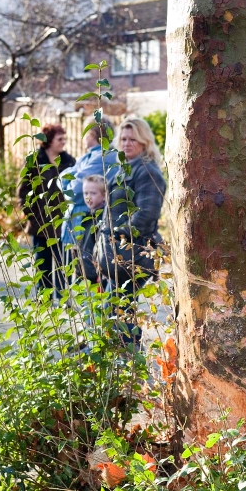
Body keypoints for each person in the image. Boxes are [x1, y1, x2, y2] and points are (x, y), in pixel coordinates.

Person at [97, 116, 166, 345]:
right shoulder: (122, 168)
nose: (127, 143)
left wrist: (116, 235)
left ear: (144, 142)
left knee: (122, 316)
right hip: (118, 255)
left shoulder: (147, 171)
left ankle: (130, 366)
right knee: (113, 313)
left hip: (132, 255)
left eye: (133, 139)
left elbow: (146, 215)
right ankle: (120, 368)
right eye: (123, 139)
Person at [17, 124, 75, 298]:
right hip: (39, 223)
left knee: (64, 263)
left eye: (64, 138)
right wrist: (31, 213)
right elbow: (22, 190)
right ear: (48, 140)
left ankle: (63, 297)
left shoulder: (69, 161)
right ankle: (45, 299)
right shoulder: (34, 160)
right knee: (43, 264)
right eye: (60, 139)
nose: (63, 143)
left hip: (62, 222)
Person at [59, 118, 119, 256]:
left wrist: (71, 175)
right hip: (75, 224)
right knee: (71, 272)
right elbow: (61, 179)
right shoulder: (86, 157)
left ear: (91, 134)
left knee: (84, 270)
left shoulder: (104, 157)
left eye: (85, 133)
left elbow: (74, 191)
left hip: (85, 223)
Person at [75, 174, 105, 284]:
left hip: (95, 276)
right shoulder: (87, 217)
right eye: (85, 193)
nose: (88, 197)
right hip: (84, 273)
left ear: (104, 195)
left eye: (93, 193)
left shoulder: (103, 220)